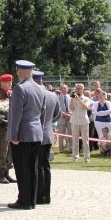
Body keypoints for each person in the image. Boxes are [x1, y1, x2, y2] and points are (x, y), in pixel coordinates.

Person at [6, 60, 46, 210]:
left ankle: (24, 200)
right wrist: (40, 132)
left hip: (22, 134)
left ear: (19, 72)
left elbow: (16, 115)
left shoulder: (20, 89)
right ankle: (32, 200)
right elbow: (43, 112)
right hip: (36, 133)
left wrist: (13, 135)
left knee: (22, 168)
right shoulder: (39, 88)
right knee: (32, 167)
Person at [34, 71, 60, 205]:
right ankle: (46, 196)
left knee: (37, 166)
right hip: (48, 133)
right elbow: (57, 114)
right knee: (45, 165)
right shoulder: (52, 95)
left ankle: (38, 196)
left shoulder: (35, 94)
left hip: (35, 135)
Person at [0, 74, 16, 184]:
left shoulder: (10, 94)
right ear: (2, 83)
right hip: (2, 126)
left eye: (11, 82)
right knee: (2, 149)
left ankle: (7, 172)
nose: (10, 84)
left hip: (11, 125)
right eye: (8, 82)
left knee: (10, 149)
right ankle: (1, 173)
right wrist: (4, 120)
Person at [69, 83, 92, 163]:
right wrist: (72, 99)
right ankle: (75, 157)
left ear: (83, 89)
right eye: (77, 88)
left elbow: (86, 108)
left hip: (84, 121)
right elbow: (71, 109)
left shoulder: (86, 98)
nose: (78, 90)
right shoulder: (71, 98)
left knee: (85, 140)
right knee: (75, 140)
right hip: (74, 120)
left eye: (80, 88)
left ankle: (87, 157)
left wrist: (78, 99)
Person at [56, 84, 72, 152]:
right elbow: (57, 108)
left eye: (65, 88)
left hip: (70, 117)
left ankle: (71, 148)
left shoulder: (71, 98)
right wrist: (64, 114)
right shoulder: (57, 98)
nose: (63, 89)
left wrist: (69, 115)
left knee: (70, 133)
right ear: (60, 89)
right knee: (61, 134)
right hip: (61, 117)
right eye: (62, 88)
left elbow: (72, 107)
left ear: (67, 89)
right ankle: (61, 149)